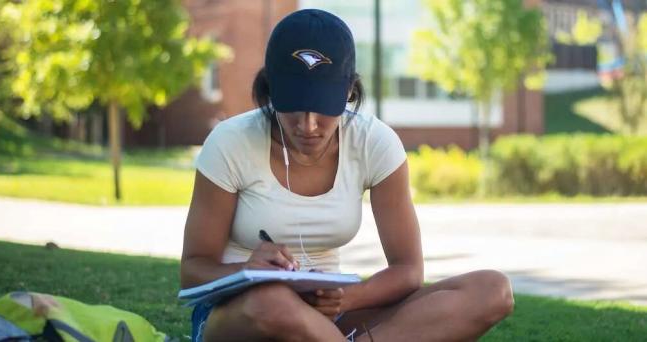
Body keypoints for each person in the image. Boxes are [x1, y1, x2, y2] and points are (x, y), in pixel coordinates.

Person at [180, 8, 514, 342]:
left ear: (349, 92)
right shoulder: (230, 142)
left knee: (492, 290)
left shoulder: (375, 144)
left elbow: (408, 270)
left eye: (323, 107)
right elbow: (193, 271)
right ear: (270, 91)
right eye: (293, 107)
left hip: (328, 318)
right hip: (240, 315)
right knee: (273, 302)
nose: (307, 125)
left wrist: (346, 298)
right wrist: (249, 271)